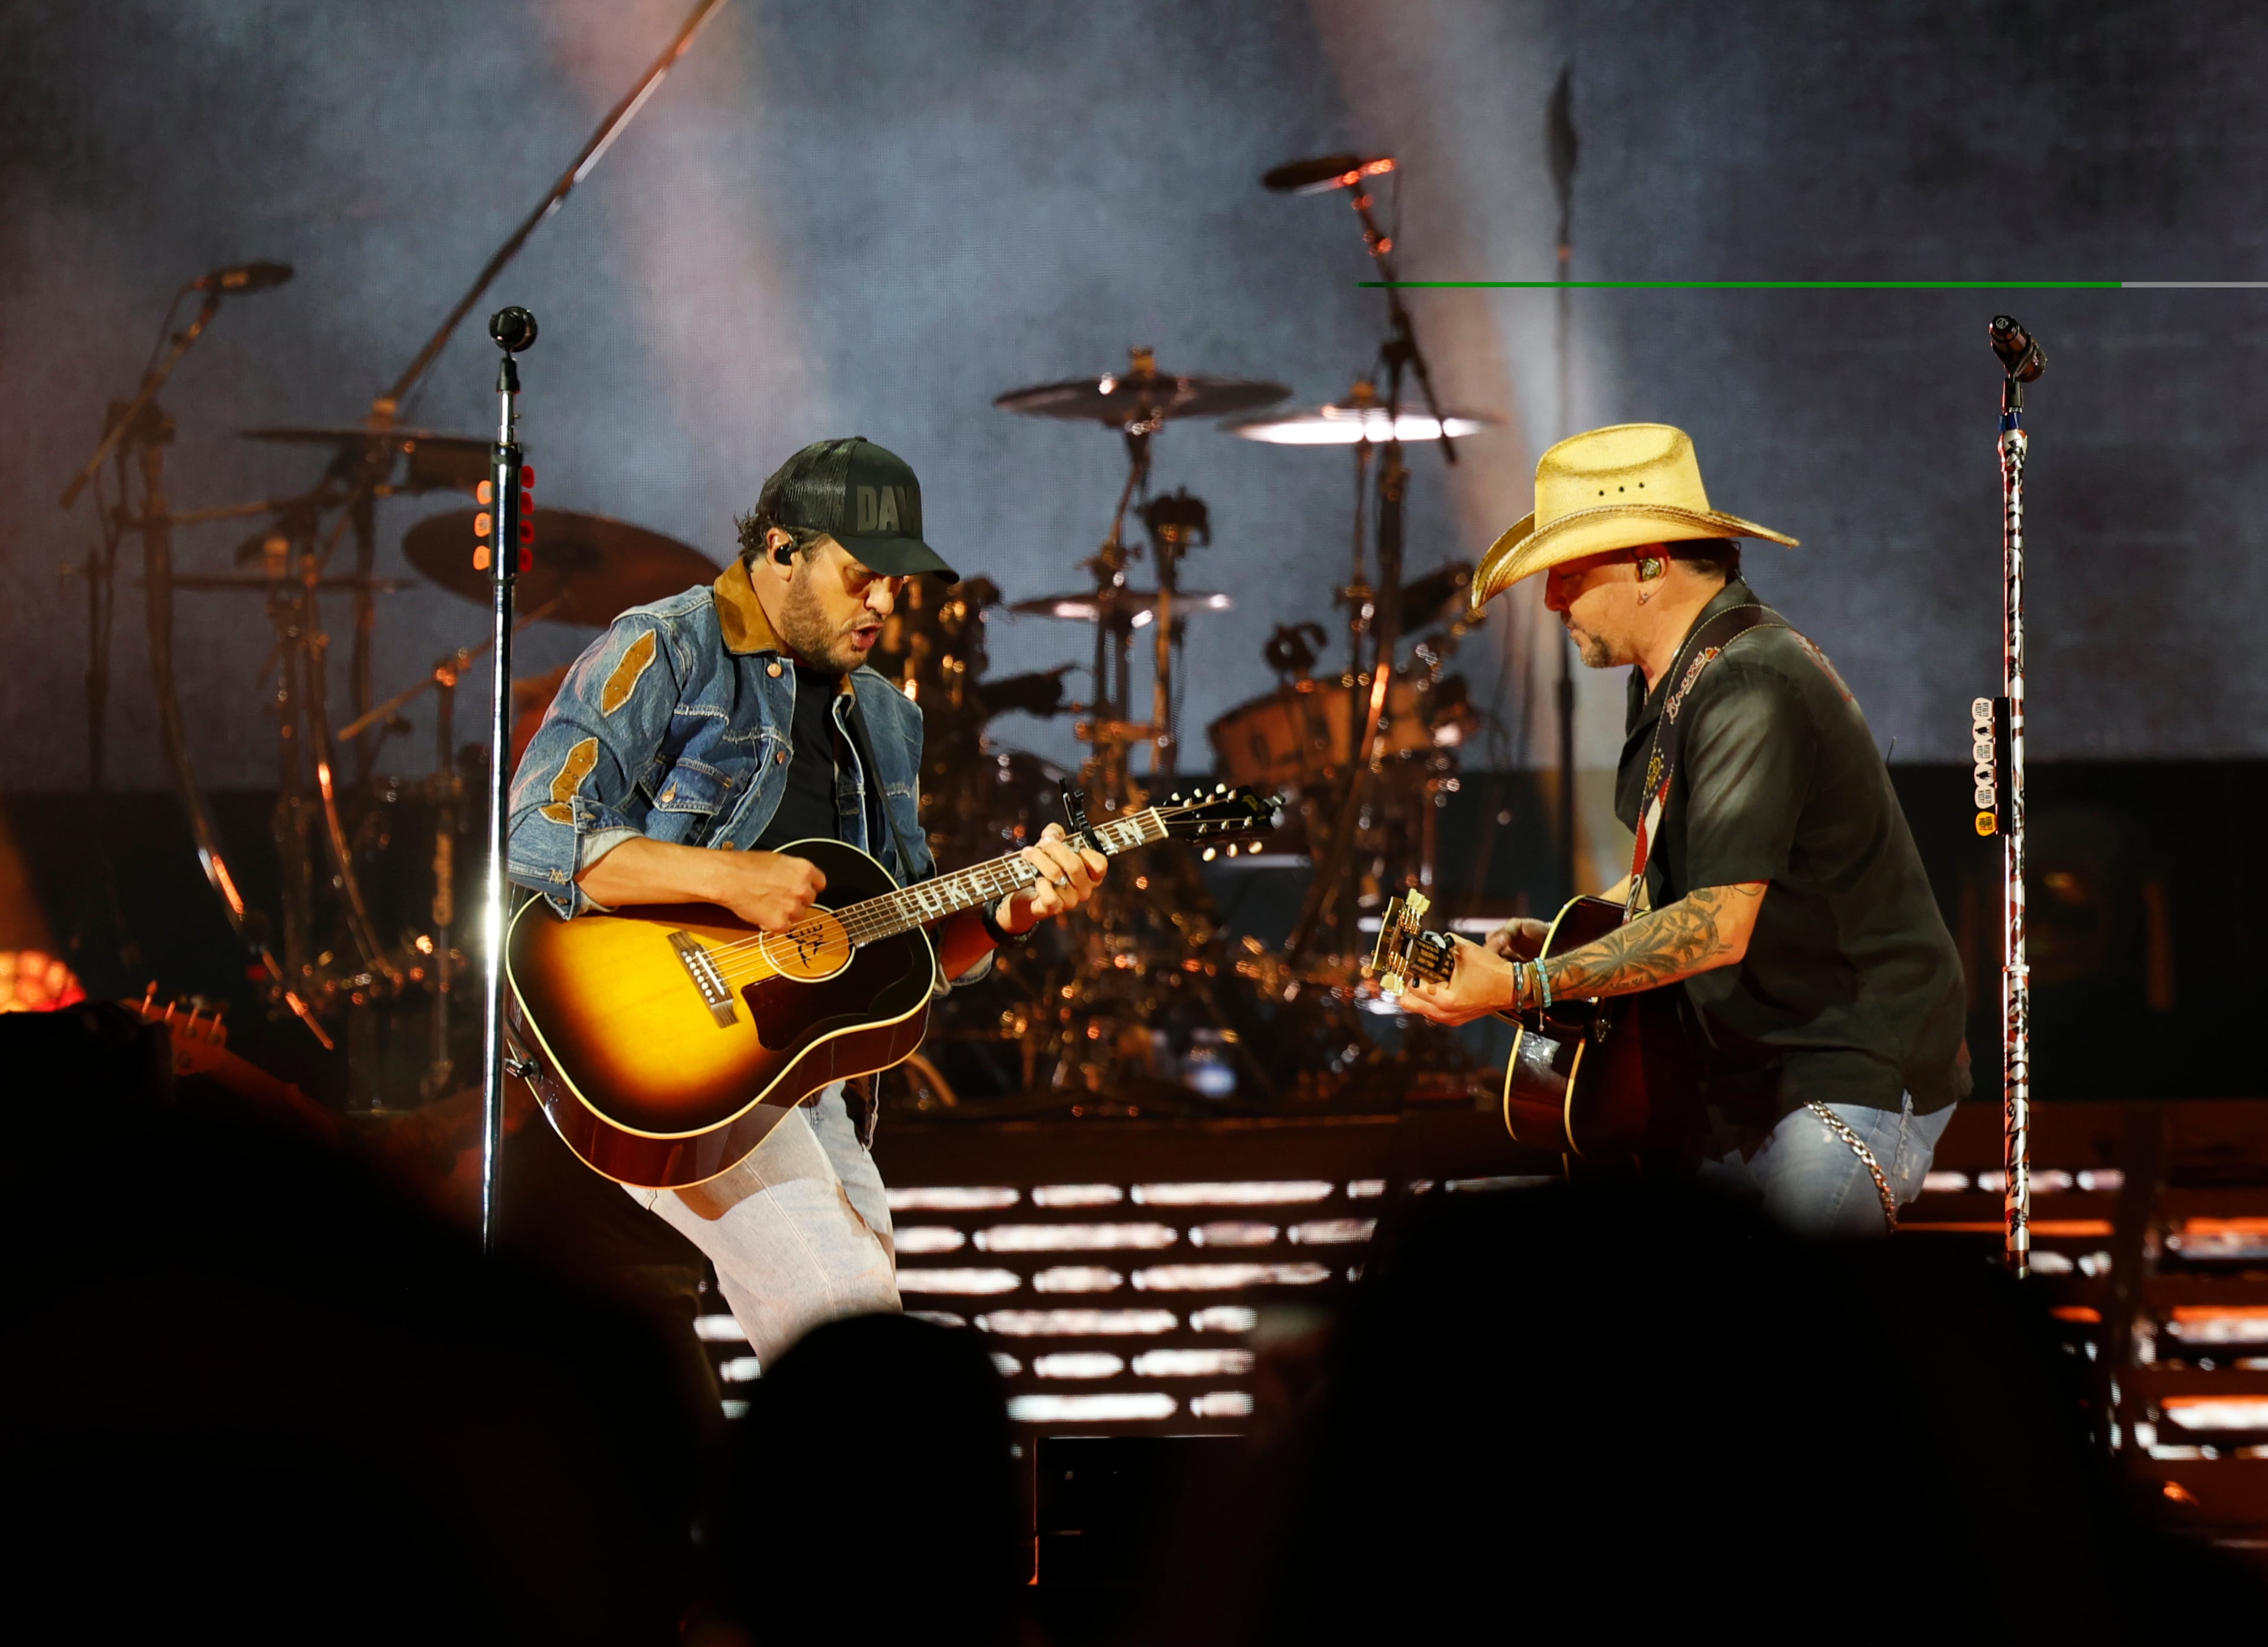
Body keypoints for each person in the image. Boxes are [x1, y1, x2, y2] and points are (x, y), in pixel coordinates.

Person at [506, 437, 1104, 1362]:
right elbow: (539, 833)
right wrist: (727, 878)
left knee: (847, 1353)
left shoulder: (888, 717)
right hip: (662, 1046)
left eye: (897, 584)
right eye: (863, 576)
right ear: (782, 549)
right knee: (847, 1322)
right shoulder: (667, 644)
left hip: (808, 1078)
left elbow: (898, 948)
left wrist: (1002, 915)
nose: (885, 604)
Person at [1397, 423, 1967, 1234]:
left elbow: (1719, 923)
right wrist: (1545, 945)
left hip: (1844, 1075)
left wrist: (1526, 987)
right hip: (1745, 1085)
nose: (1554, 599)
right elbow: (1668, 882)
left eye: (1568, 572)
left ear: (1649, 565)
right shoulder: (1676, 680)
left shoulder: (1749, 683)